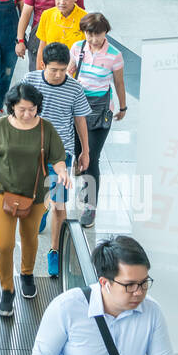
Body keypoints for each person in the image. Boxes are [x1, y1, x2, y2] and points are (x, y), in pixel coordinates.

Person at [0, 83, 69, 313]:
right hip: (3, 192)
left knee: (30, 240)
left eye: (32, 108)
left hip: (35, 196)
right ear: (12, 107)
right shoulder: (1, 125)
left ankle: (27, 274)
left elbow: (58, 157)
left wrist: (62, 171)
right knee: (4, 245)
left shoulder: (45, 129)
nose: (28, 114)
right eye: (22, 109)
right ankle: (7, 289)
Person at [33, 235, 177, 355]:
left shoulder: (151, 311)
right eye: (130, 285)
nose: (139, 292)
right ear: (104, 283)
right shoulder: (66, 307)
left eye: (144, 282)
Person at [24, 43, 91, 278]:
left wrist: (86, 151)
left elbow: (80, 120)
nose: (59, 74)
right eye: (54, 70)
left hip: (61, 153)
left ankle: (54, 251)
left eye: (64, 70)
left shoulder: (74, 89)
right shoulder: (30, 80)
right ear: (43, 64)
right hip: (33, 150)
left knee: (59, 205)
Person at [68, 13, 126, 226]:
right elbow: (71, 71)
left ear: (106, 32)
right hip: (78, 110)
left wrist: (123, 106)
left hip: (101, 111)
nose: (93, 39)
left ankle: (91, 207)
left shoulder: (114, 55)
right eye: (89, 34)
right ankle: (87, 183)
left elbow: (119, 83)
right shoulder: (77, 48)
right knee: (78, 153)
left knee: (91, 157)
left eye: (98, 34)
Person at [35, 0, 88, 65]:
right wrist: (39, 71)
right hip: (51, 70)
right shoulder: (47, 15)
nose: (62, 2)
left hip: (74, 74)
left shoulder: (85, 19)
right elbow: (42, 47)